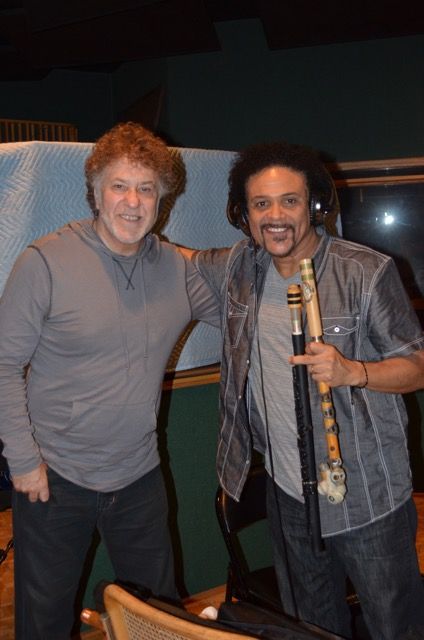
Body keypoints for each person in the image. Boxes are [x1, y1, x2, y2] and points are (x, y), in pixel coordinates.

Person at [192, 141, 424, 639]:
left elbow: (417, 365)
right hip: (289, 494)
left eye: (290, 201)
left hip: (366, 495)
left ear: (315, 205)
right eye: (261, 204)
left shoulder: (365, 272)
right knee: (310, 628)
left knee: (395, 627)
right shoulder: (242, 268)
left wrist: (354, 371)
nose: (275, 216)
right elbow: (180, 259)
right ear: (243, 214)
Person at [0, 121, 218, 640]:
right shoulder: (45, 262)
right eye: (119, 186)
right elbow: (3, 364)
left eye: (147, 189)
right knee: (44, 623)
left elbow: (242, 312)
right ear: (96, 193)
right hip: (54, 479)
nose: (132, 202)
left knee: (158, 620)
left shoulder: (176, 269)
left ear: (162, 200)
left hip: (139, 477)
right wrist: (23, 462)